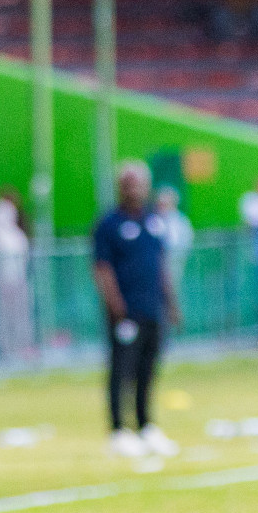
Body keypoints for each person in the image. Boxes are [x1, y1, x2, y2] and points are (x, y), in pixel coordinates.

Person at [91, 161, 180, 459]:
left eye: (138, 183)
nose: (134, 189)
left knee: (148, 369)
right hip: (125, 311)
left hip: (152, 308)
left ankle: (145, 425)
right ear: (120, 187)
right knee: (121, 369)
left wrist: (171, 302)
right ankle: (119, 430)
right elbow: (102, 267)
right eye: (128, 183)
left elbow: (161, 264)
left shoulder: (153, 221)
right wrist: (115, 305)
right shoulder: (109, 224)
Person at [0, 189, 33, 361]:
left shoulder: (16, 236)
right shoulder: (0, 236)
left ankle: (21, 347)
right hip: (4, 279)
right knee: (5, 316)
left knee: (20, 315)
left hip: (18, 279)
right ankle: (7, 349)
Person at [153, 187, 194, 319]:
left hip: (174, 261)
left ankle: (173, 316)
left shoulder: (180, 220)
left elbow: (184, 239)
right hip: (158, 263)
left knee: (172, 289)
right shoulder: (154, 220)